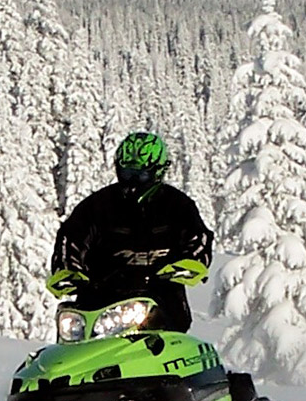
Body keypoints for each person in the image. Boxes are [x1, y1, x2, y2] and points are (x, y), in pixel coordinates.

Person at [47, 131, 212, 332]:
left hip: (159, 301)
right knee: (70, 338)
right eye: (126, 173)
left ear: (157, 172)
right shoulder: (98, 206)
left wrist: (191, 263)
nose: (132, 182)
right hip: (101, 301)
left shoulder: (177, 206)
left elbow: (199, 238)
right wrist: (68, 270)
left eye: (140, 175)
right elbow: (70, 238)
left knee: (174, 338)